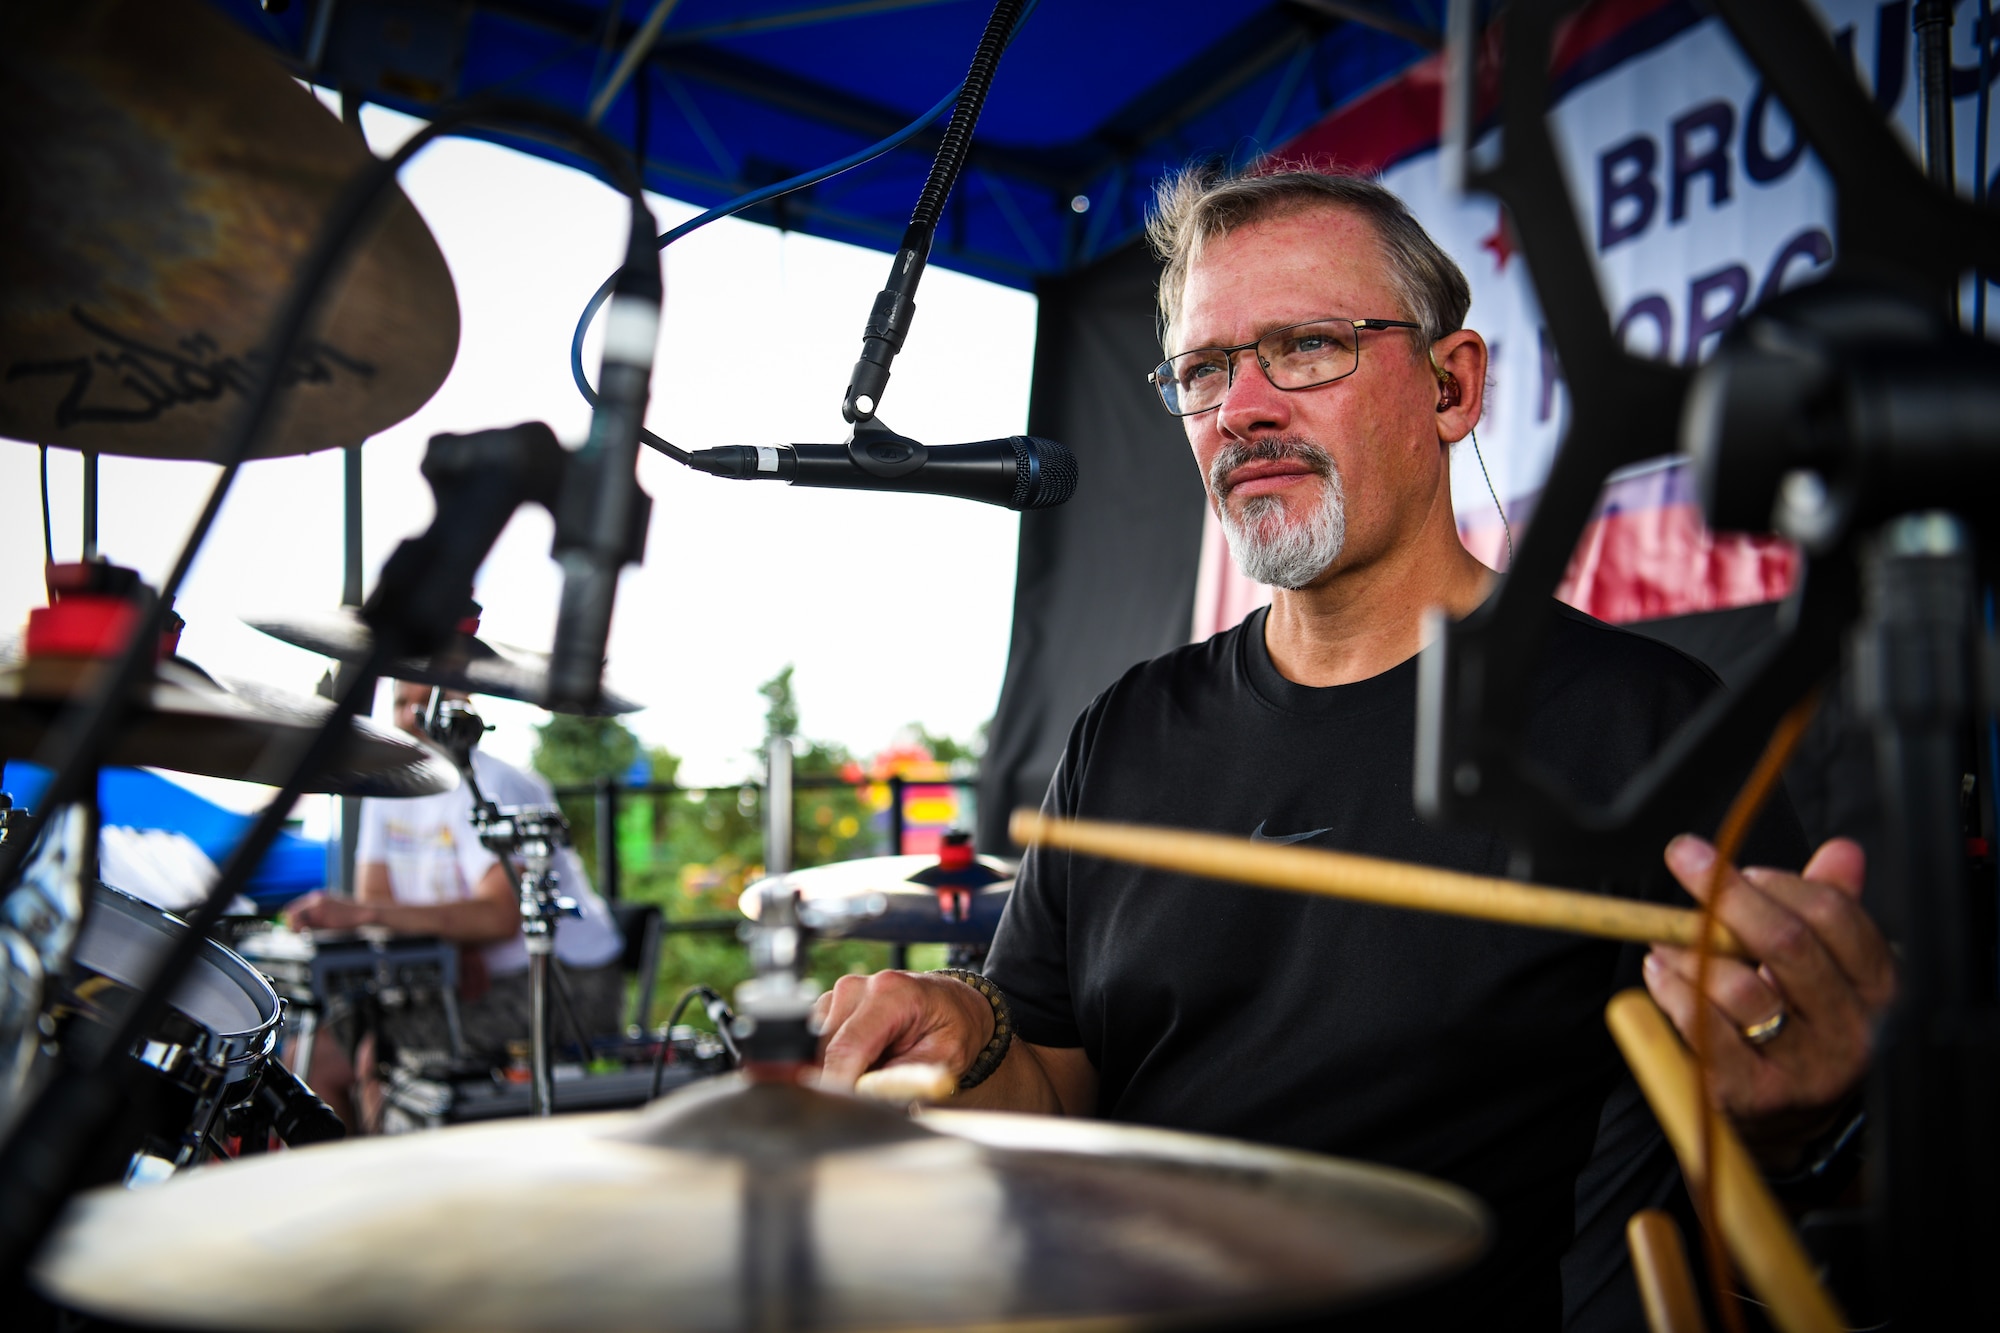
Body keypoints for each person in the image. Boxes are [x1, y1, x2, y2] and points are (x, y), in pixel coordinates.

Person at [813, 166, 1894, 1328]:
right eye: (1204, 370)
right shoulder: (1123, 733)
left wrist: (1803, 1116)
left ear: (1450, 383)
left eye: (1308, 346)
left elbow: (1771, 1166)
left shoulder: (1654, 731)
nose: (1242, 408)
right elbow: (1055, 1093)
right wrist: (968, 1039)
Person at [286, 682, 625, 1120]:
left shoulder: (495, 783)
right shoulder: (389, 789)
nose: (411, 716)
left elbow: (497, 915)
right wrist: (455, 939)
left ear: (463, 706)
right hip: (476, 978)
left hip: (563, 983)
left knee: (353, 1051)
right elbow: (379, 898)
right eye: (400, 704)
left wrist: (375, 916)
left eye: (424, 702)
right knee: (321, 1049)